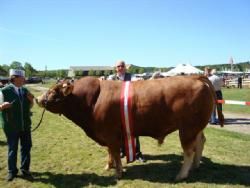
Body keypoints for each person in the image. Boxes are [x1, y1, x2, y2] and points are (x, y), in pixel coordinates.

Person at [108, 60, 146, 162]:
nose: (120, 68)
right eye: (118, 66)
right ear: (116, 68)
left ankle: (137, 153)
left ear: (125, 67)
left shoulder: (131, 76)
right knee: (118, 131)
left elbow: (137, 80)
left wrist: (140, 80)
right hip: (116, 109)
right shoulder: (111, 78)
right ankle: (121, 151)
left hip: (129, 108)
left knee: (133, 130)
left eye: (122, 66)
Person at [0, 69, 34, 181]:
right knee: (12, 149)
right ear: (14, 78)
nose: (24, 79)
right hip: (11, 126)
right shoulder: (4, 91)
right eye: (22, 78)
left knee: (26, 147)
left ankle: (25, 169)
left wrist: (31, 101)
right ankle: (12, 171)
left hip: (25, 125)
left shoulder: (25, 90)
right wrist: (2, 106)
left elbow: (29, 107)